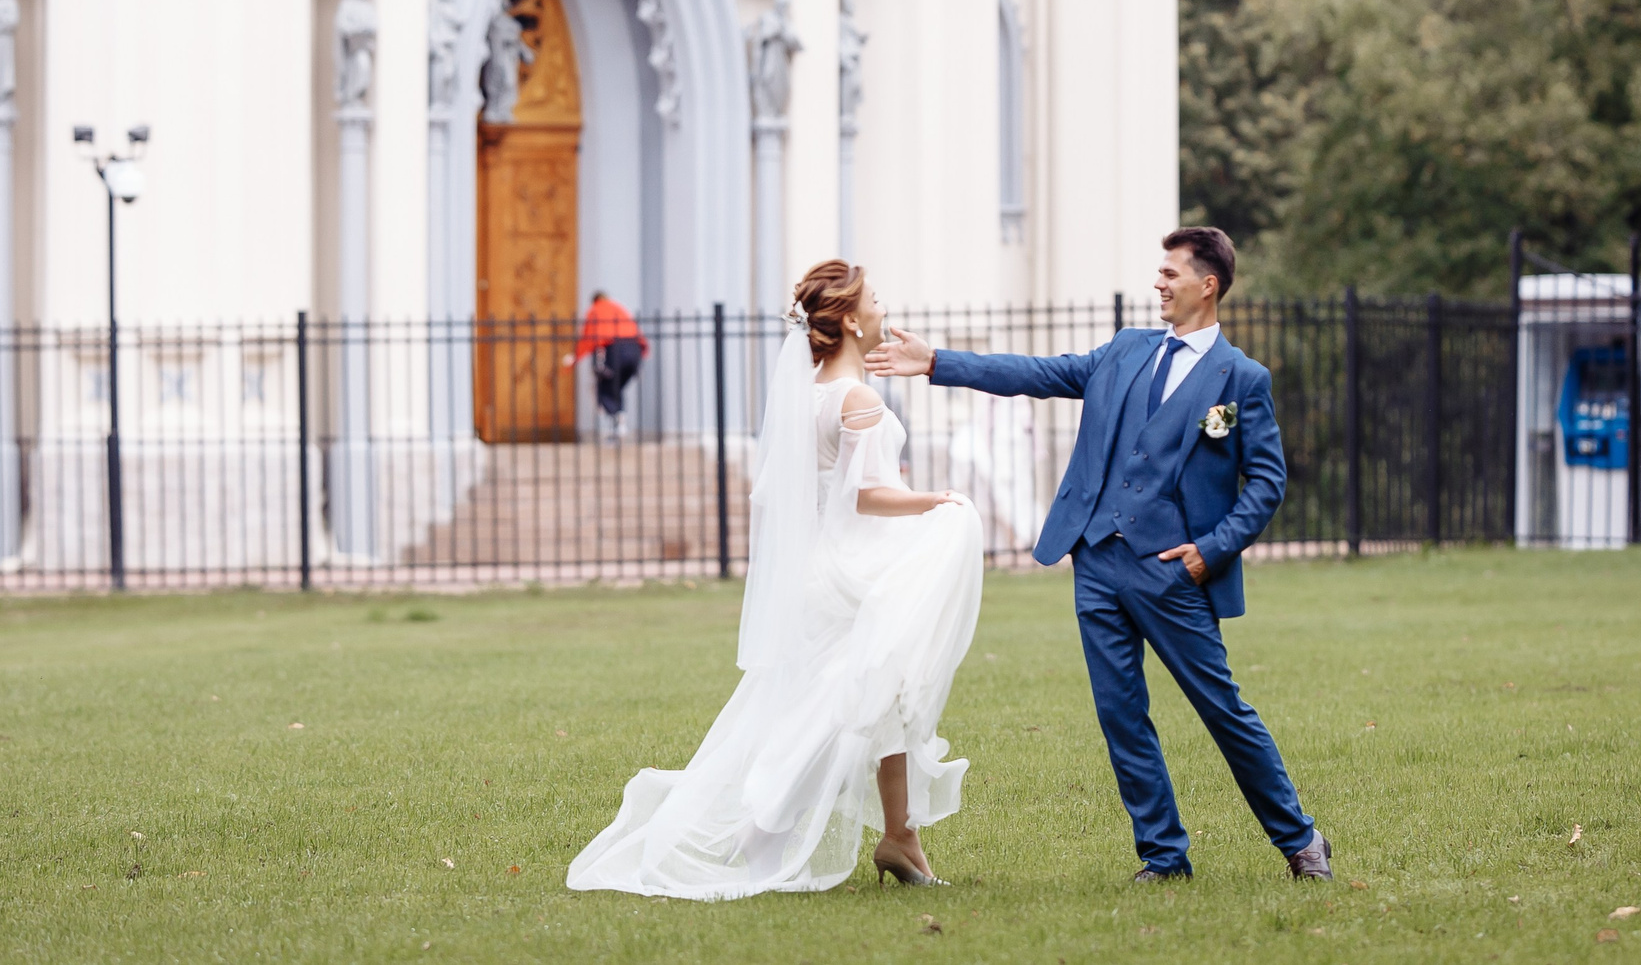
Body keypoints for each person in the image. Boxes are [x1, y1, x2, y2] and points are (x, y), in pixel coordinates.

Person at [866, 227, 1332, 884]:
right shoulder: (1125, 350)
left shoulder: (1242, 379)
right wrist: (938, 361)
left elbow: (1266, 483)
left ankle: (1301, 841)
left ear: (1208, 285)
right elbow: (1038, 374)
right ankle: (1164, 857)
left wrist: (1209, 552)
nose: (1158, 283)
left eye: (1170, 273)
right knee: (1121, 716)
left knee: (1222, 709)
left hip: (1174, 572)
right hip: (1096, 561)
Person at [567, 261, 984, 899]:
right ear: (851, 321)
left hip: (827, 562)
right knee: (837, 706)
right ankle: (761, 825)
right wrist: (937, 501)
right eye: (875, 300)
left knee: (884, 691)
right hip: (853, 567)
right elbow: (866, 494)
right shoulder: (858, 399)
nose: (883, 308)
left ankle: (901, 837)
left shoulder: (813, 391)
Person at [563, 291, 648, 441]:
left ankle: (617, 422)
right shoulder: (618, 308)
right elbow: (636, 332)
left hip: (614, 349)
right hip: (634, 351)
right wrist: (642, 355)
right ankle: (619, 421)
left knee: (605, 387)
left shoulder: (595, 310)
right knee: (615, 388)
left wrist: (575, 358)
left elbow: (588, 337)